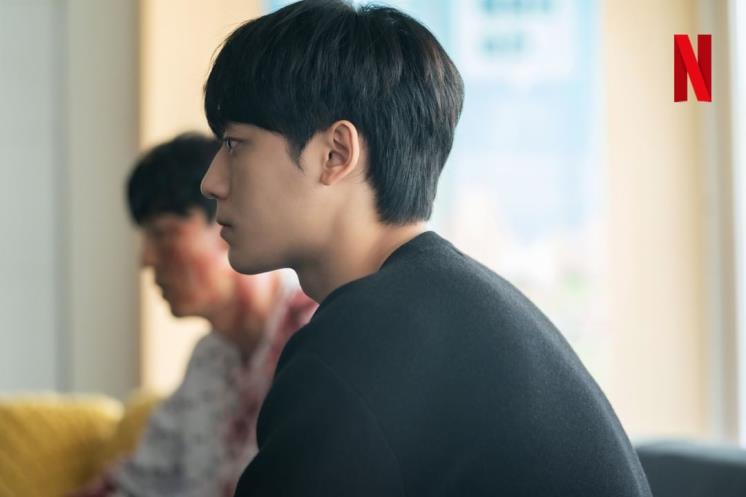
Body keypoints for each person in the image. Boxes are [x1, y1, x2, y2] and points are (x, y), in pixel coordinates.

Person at [200, 1, 653, 496]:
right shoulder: (455, 305)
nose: (211, 182)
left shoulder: (365, 340)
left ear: (335, 154)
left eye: (235, 144)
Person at [74, 133, 317, 497]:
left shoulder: (317, 336)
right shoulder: (209, 359)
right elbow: (137, 484)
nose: (146, 260)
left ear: (227, 221)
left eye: (163, 234)